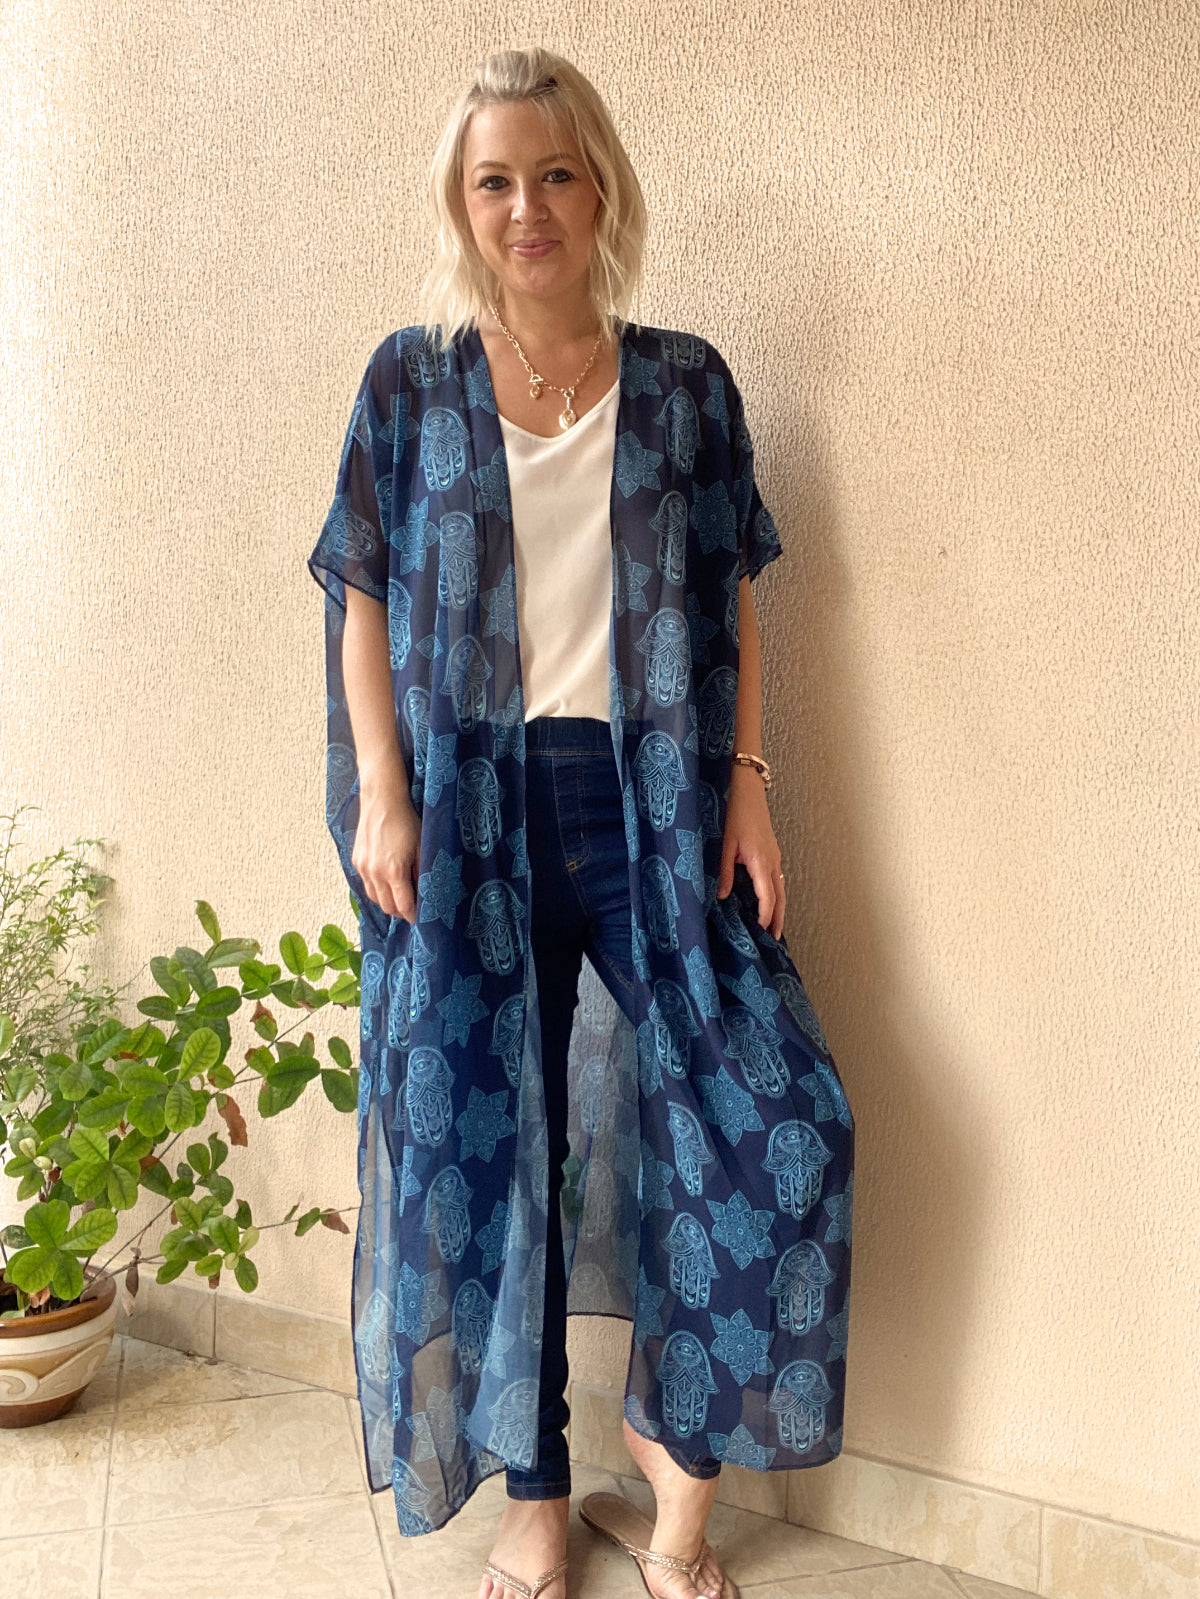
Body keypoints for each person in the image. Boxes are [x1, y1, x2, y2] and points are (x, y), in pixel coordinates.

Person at [308, 45, 854, 1599]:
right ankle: (536, 1495)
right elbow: (359, 589)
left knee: (777, 1122)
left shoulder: (684, 385)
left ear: (600, 187)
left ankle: (670, 1477)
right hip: (468, 816)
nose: (527, 207)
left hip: (653, 809)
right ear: (461, 202)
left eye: (555, 173)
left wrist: (749, 786)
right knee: (495, 1161)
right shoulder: (410, 380)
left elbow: (733, 600)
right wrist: (383, 791)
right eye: (495, 180)